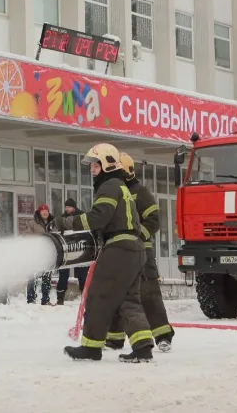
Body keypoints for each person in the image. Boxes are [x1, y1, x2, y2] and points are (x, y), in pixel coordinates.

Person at [54, 143, 154, 363]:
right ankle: (143, 346)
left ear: (107, 165)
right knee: (129, 300)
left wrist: (67, 221)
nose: (91, 169)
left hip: (118, 249)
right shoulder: (122, 187)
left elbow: (99, 217)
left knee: (98, 296)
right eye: (90, 165)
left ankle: (90, 347)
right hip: (135, 250)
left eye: (95, 165)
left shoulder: (109, 186)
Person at [105, 152, 173, 352]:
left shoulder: (140, 193)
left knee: (149, 294)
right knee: (117, 294)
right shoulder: (116, 192)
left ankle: (163, 335)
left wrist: (136, 237)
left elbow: (153, 221)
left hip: (142, 253)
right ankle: (114, 338)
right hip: (120, 253)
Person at [55, 198, 87, 305]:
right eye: (66, 207)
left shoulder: (82, 216)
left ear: (74, 207)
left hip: (80, 249)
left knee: (83, 275)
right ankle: (60, 298)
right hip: (67, 250)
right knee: (63, 274)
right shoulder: (62, 218)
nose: (67, 209)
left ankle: (85, 298)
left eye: (69, 207)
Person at [26, 204, 54, 305]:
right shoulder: (32, 223)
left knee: (47, 276)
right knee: (32, 276)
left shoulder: (52, 223)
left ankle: (45, 299)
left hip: (48, 253)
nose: (45, 212)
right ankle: (31, 299)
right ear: (39, 212)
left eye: (46, 210)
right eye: (43, 211)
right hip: (36, 253)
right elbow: (27, 235)